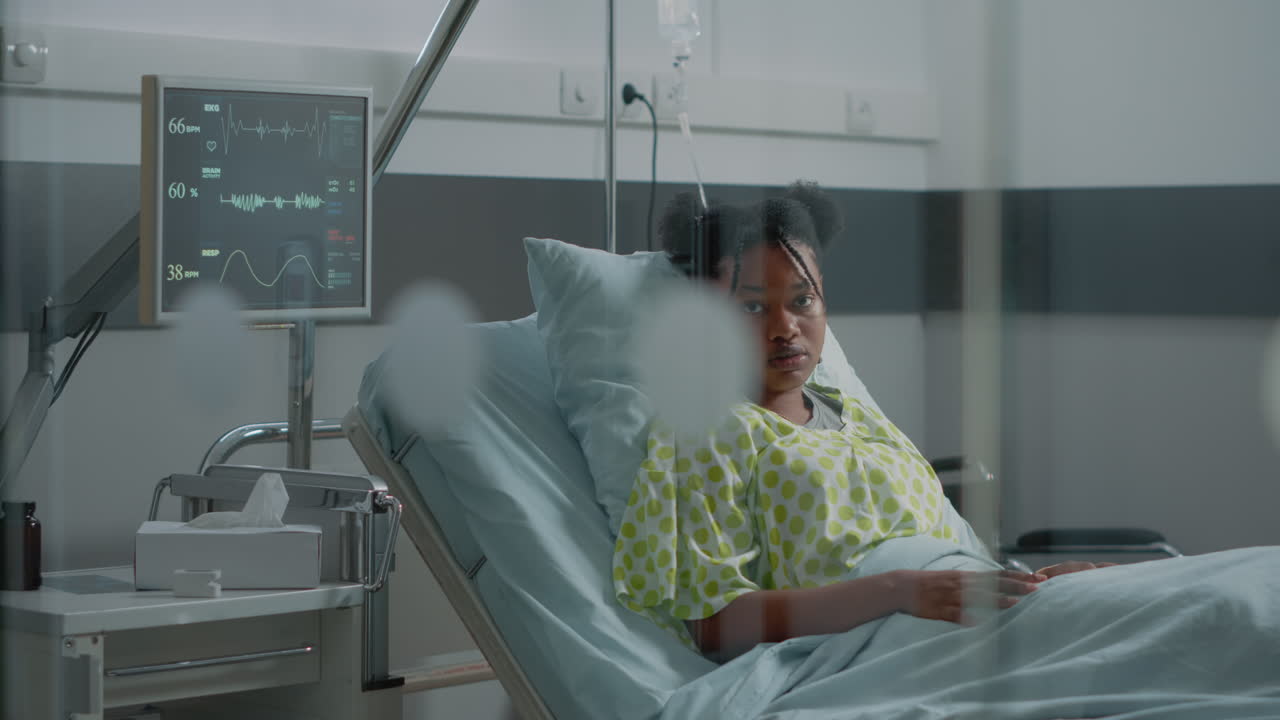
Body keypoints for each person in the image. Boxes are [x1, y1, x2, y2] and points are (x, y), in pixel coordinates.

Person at [612, 182, 1104, 661]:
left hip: (966, 615)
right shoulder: (709, 434)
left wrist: (1029, 583)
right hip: (881, 643)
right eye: (753, 307)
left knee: (1139, 603)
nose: (785, 329)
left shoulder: (858, 417)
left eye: (802, 300)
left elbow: (949, 561)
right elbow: (714, 624)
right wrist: (897, 591)